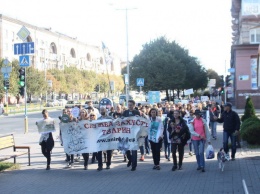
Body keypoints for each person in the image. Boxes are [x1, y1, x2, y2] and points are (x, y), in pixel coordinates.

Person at [122, 99, 140, 171]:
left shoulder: (136, 112)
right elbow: (121, 120)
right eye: (128, 105)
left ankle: (134, 166)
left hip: (134, 134)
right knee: (126, 149)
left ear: (134, 105)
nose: (129, 106)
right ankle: (130, 159)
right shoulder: (125, 112)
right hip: (126, 134)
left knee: (134, 150)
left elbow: (139, 121)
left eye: (131, 105)